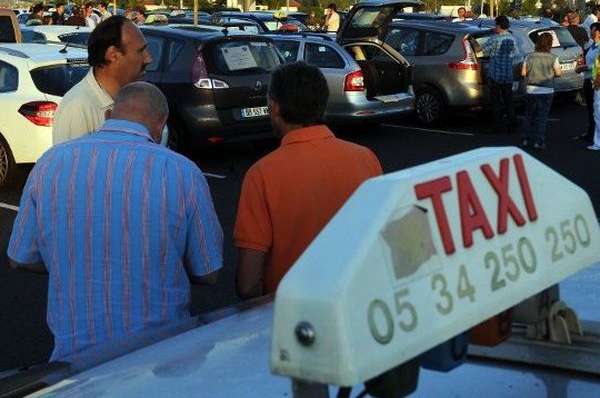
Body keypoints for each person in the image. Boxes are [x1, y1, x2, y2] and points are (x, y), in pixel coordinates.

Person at [7, 81, 223, 361]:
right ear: (161, 126)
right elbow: (208, 271)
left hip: (75, 362)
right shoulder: (183, 172)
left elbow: (20, 257)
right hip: (159, 357)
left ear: (108, 116)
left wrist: (72, 264)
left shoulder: (49, 164)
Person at [234, 62, 383, 299]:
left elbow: (248, 283)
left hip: (294, 315)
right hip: (355, 304)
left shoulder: (261, 174)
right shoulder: (366, 159)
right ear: (322, 104)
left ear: (274, 107)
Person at [53, 15, 152, 145]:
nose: (149, 59)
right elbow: (71, 163)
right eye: (140, 51)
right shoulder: (77, 107)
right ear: (112, 54)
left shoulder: (135, 98)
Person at [520, 32, 561, 150]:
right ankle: (539, 142)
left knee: (529, 116)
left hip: (531, 89)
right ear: (550, 44)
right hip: (547, 90)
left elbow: (523, 73)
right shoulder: (553, 58)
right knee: (542, 118)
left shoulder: (529, 56)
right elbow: (558, 73)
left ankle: (525, 140)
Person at [481, 16, 519, 134]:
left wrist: (471, 42)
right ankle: (512, 125)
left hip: (495, 74)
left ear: (499, 25)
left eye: (495, 25)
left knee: (496, 102)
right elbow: (517, 54)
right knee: (509, 101)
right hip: (507, 74)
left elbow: (482, 51)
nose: (494, 27)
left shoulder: (494, 39)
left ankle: (496, 125)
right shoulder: (513, 38)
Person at [574, 22, 600, 142]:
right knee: (590, 108)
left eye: (593, 30)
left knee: (595, 108)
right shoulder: (593, 46)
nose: (590, 32)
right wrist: (582, 66)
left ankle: (595, 134)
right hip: (588, 79)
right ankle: (591, 131)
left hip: (595, 81)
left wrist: (585, 67)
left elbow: (597, 65)